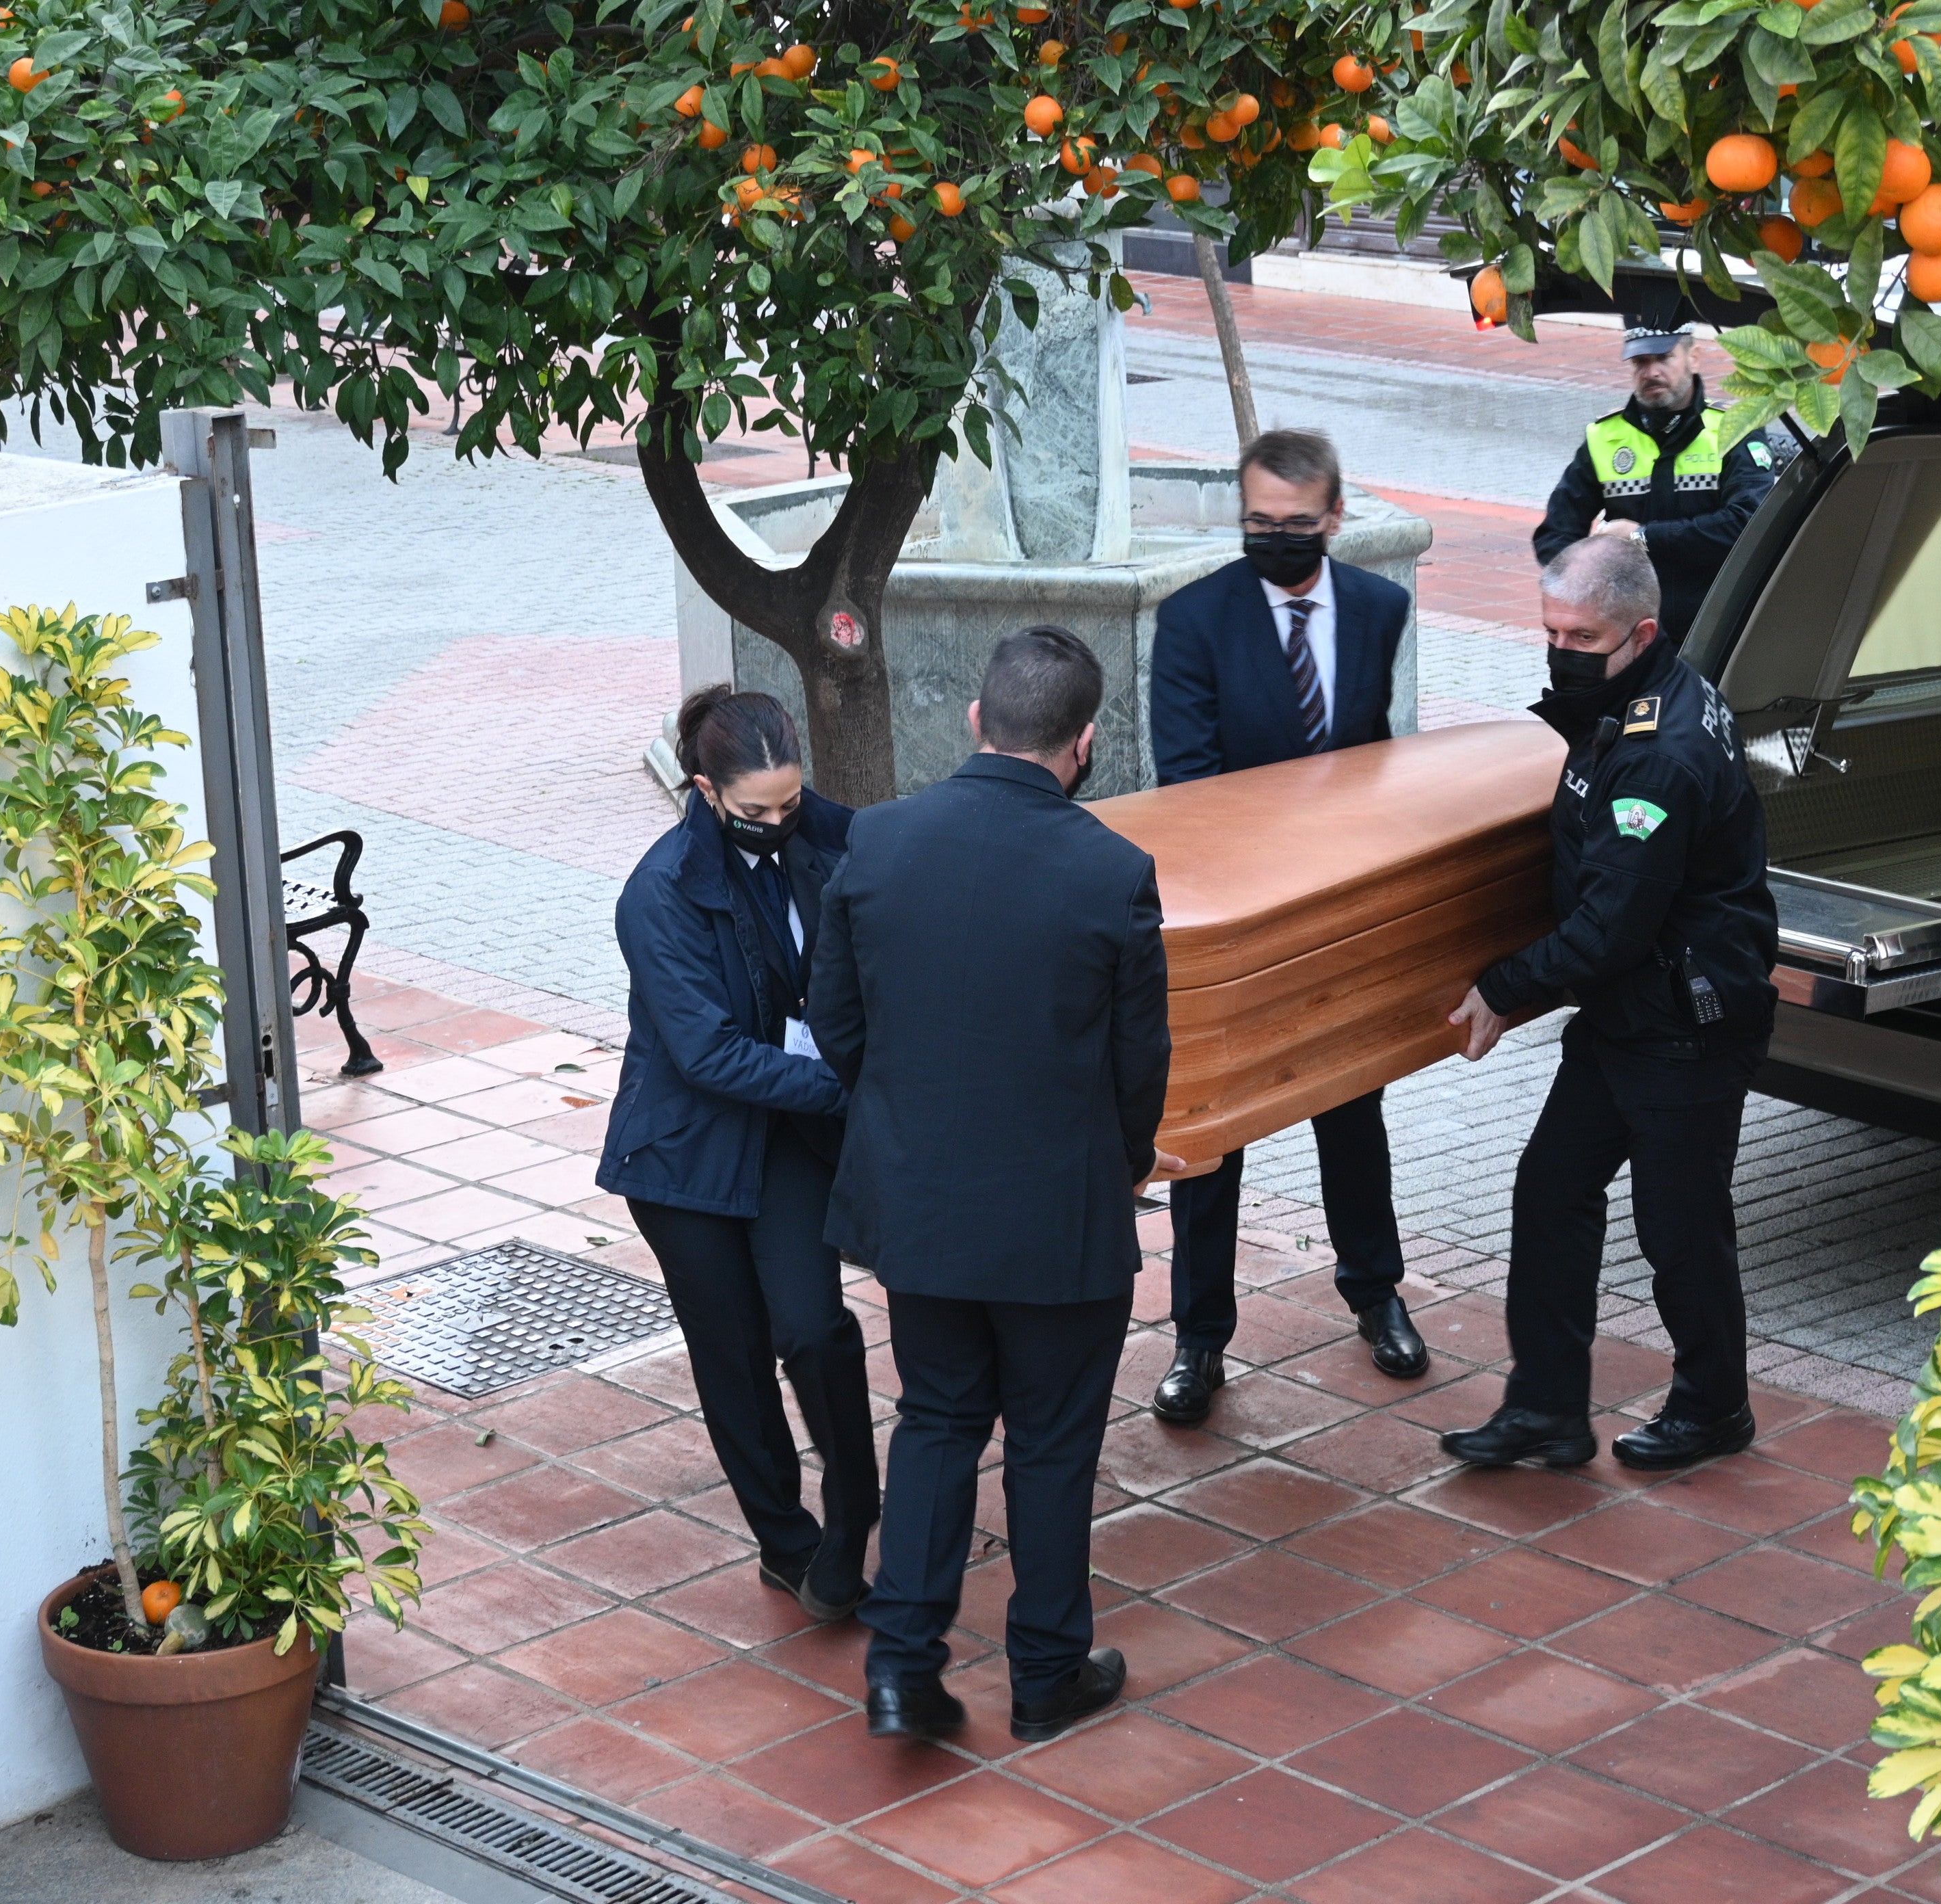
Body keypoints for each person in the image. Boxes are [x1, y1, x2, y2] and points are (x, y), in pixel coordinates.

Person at [808, 626, 1178, 1746]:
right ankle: (1047, 1670)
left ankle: (901, 1667)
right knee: (1053, 1442)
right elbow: (1138, 1062)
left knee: (936, 1419)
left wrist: (913, 1120)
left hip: (918, 1205)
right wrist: (1108, 1168)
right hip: (1057, 1214)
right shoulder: (1113, 870)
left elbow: (836, 1024)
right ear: (1085, 743)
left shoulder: (874, 843)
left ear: (974, 719)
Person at [1438, 536, 1780, 1472]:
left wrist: (1504, 987)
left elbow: (1611, 929)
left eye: (1581, 636)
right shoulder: (1629, 702)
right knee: (1550, 1193)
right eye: (1550, 631)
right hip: (1631, 1014)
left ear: (1642, 633)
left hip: (1684, 1028)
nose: (1561, 652)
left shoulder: (1658, 755)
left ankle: (1715, 1409)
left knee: (1680, 1233)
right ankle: (1547, 1409)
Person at [1144, 427, 1428, 1427]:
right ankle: (1198, 1339)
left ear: (1334, 519)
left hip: (1341, 912)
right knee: (1212, 1138)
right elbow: (1187, 783)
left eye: (1295, 525)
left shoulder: (1382, 609)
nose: (1274, 537)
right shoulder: (1193, 620)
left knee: (1354, 1112)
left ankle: (1377, 1293)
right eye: (1258, 522)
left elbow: (1373, 753)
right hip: (1234, 914)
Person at [597, 687, 880, 1622]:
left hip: (788, 1130)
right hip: (687, 1155)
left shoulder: (825, 833)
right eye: (755, 812)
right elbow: (709, 1054)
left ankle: (853, 1519)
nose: (777, 824)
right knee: (736, 1355)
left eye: (789, 806)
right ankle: (787, 1548)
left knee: (813, 1326)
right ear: (705, 791)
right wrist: (856, 1089)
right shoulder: (660, 892)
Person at [1531, 328, 1775, 642]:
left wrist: (1642, 537)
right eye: (1640, 362)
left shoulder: (1734, 429)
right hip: (1629, 634)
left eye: (1663, 358)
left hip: (1715, 624)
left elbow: (1749, 525)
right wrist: (1592, 583)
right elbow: (1556, 534)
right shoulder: (1606, 436)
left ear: (1694, 357)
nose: (1652, 372)